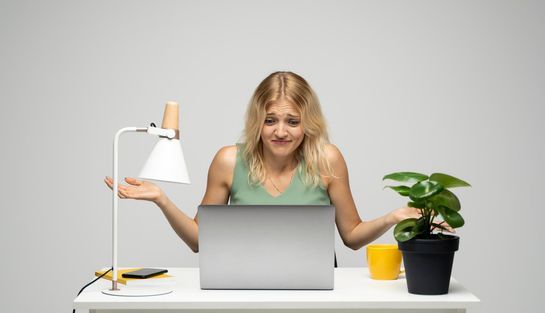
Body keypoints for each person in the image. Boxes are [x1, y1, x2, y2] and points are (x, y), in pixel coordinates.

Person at [105, 71, 421, 257]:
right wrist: (162, 199)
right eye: (270, 120)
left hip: (315, 294)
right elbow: (201, 241)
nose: (280, 131)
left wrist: (392, 216)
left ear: (308, 123)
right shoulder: (228, 161)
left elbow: (352, 236)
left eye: (292, 121)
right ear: (258, 120)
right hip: (244, 291)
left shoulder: (327, 159)